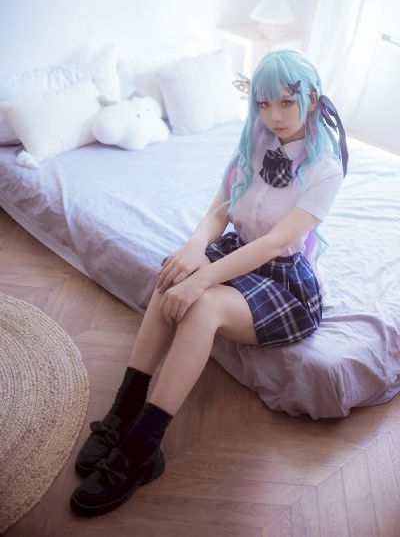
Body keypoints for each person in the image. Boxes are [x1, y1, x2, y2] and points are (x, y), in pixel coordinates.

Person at [70, 49, 348, 516]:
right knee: (172, 274)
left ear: (312, 99)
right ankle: (124, 409)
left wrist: (203, 279)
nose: (274, 116)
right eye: (263, 104)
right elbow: (220, 209)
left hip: (283, 278)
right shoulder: (254, 141)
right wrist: (193, 249)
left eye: (285, 102)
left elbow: (274, 242)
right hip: (238, 249)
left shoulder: (326, 168)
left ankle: (143, 447)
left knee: (203, 303)